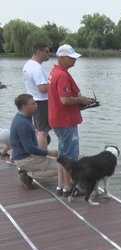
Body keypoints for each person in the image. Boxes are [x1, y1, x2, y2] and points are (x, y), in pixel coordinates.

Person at [48, 44, 93, 197]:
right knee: (70, 156)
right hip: (65, 121)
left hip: (57, 119)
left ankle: (61, 186)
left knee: (63, 153)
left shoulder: (54, 72)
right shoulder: (62, 75)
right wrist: (81, 99)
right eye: (71, 57)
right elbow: (65, 100)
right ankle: (69, 187)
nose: (74, 60)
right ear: (61, 58)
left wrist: (81, 101)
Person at [10, 94, 59, 189]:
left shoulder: (23, 118)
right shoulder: (22, 123)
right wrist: (49, 152)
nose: (36, 105)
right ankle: (29, 174)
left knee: (58, 164)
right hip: (25, 159)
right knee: (63, 168)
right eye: (33, 104)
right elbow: (29, 148)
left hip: (24, 156)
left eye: (35, 103)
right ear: (24, 107)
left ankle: (27, 172)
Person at [23, 42, 50, 150]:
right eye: (47, 52)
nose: (49, 54)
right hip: (41, 101)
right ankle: (42, 157)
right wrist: (56, 85)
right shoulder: (37, 68)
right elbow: (42, 88)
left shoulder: (27, 65)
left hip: (34, 100)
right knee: (43, 132)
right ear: (39, 52)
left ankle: (35, 153)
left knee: (38, 130)